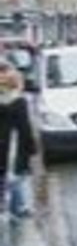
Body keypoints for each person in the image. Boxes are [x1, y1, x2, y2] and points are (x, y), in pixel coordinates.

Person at [0, 60, 37, 220]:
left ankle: (11, 207)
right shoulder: (19, 101)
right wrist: (31, 147)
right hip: (14, 143)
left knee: (4, 175)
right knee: (15, 176)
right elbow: (25, 127)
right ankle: (16, 208)